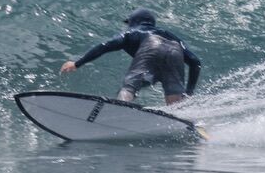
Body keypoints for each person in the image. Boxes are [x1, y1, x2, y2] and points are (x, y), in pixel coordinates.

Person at [60, 8, 201, 105]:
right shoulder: (170, 35)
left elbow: (104, 46)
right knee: (173, 89)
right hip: (175, 49)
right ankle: (176, 118)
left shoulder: (133, 32)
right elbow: (195, 62)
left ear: (134, 21)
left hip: (151, 45)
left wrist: (77, 63)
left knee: (130, 85)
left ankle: (120, 108)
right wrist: (189, 92)